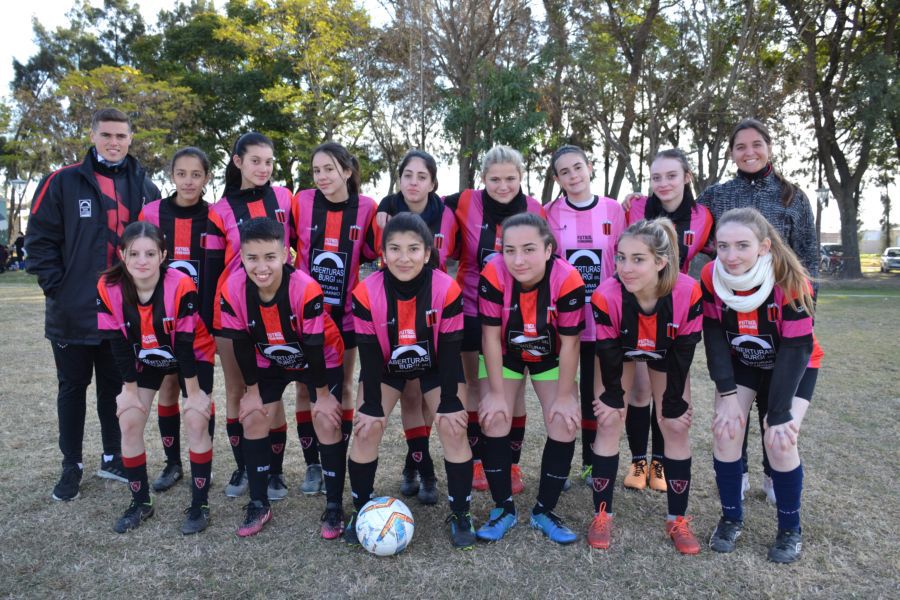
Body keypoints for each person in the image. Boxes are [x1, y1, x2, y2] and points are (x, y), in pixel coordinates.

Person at [25, 108, 160, 501]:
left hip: (123, 313)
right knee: (72, 388)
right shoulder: (62, 181)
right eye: (106, 135)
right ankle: (71, 465)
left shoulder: (145, 188)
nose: (114, 142)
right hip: (74, 311)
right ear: (93, 135)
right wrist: (58, 288)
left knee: (114, 389)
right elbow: (39, 241)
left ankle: (112, 455)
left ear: (131, 138)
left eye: (121, 135)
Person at [346, 213, 475, 549]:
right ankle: (361, 509)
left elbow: (449, 353)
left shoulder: (446, 288)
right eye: (395, 249)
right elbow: (370, 355)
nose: (404, 258)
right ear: (383, 254)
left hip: (435, 366)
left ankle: (461, 512)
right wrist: (371, 406)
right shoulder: (365, 292)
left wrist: (450, 404)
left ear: (428, 253)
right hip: (386, 367)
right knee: (367, 427)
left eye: (413, 249)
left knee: (451, 425)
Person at [703, 207, 822, 563]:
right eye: (723, 246)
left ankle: (790, 530)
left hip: (792, 364)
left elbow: (798, 348)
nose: (731, 255)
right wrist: (726, 395)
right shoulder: (711, 275)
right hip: (744, 361)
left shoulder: (792, 280)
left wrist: (781, 411)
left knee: (780, 439)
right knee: (726, 430)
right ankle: (730, 518)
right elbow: (713, 335)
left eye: (742, 245)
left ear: (764, 246)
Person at [218, 217, 346, 537]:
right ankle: (259, 503)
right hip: (269, 357)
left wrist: (323, 395)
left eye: (270, 257)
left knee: (326, 419)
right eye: (252, 258)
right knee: (254, 416)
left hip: (319, 357)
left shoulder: (305, 288)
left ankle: (333, 507)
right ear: (242, 257)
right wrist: (251, 390)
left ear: (286, 256)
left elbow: (316, 347)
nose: (261, 267)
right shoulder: (232, 288)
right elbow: (242, 344)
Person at [587, 218, 703, 554]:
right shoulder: (606, 296)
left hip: (666, 353)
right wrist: (611, 398)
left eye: (638, 259)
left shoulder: (686, 291)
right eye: (621, 257)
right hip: (621, 351)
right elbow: (608, 351)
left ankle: (677, 518)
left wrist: (674, 404)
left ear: (660, 261)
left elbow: (683, 352)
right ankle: (601, 513)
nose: (625, 267)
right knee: (609, 421)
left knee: (675, 426)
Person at [97, 221, 215, 534]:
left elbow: (187, 346)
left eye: (150, 253)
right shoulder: (108, 287)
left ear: (163, 255)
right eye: (134, 253)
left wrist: (195, 394)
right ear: (122, 255)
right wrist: (129, 391)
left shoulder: (181, 284)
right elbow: (119, 346)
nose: (142, 260)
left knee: (195, 417)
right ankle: (141, 502)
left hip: (191, 353)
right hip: (146, 355)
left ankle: (199, 504)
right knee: (130, 418)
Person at [476, 213, 585, 544]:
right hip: (506, 354)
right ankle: (503, 508)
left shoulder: (568, 279)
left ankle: (544, 511)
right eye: (509, 250)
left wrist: (566, 396)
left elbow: (570, 344)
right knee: (494, 417)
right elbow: (490, 337)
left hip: (550, 357)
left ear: (549, 249)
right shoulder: (493, 272)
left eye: (528, 249)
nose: (518, 260)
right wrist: (495, 392)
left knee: (564, 421)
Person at [444, 145, 545, 495]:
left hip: (518, 311)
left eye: (511, 179)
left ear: (521, 177)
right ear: (483, 178)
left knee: (512, 391)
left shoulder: (534, 208)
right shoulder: (464, 202)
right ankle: (475, 461)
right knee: (474, 386)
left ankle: (512, 464)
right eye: (495, 179)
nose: (503, 186)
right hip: (471, 306)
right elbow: (422, 202)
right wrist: (385, 207)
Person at [204, 132, 295, 501]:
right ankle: (244, 466)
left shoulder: (286, 199)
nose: (263, 168)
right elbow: (211, 271)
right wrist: (212, 324)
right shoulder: (219, 210)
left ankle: (274, 473)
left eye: (269, 162)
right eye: (255, 160)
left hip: (281, 311)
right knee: (238, 390)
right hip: (232, 316)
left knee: (270, 391)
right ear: (238, 161)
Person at [620, 149, 714, 493]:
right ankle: (637, 460)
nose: (664, 183)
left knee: (668, 394)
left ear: (687, 177)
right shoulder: (634, 207)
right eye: (656, 176)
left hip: (675, 316)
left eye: (672, 175)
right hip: (634, 309)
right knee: (640, 390)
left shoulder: (705, 217)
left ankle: (659, 461)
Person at [373, 150, 459, 503]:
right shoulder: (384, 214)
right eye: (407, 175)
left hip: (436, 312)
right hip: (395, 310)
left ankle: (414, 461)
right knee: (410, 394)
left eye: (422, 176)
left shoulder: (448, 213)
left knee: (431, 397)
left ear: (433, 182)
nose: (414, 182)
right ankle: (424, 471)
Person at [291, 142, 377, 496]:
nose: (323, 176)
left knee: (341, 384)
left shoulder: (367, 208)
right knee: (304, 387)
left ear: (346, 171)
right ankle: (313, 463)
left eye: (330, 169)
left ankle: (335, 456)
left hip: (345, 318)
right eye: (317, 170)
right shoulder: (302, 203)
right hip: (304, 315)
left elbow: (374, 254)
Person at [544, 144, 626, 487]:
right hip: (563, 323)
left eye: (577, 167)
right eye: (564, 172)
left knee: (597, 396)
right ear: (557, 179)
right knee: (561, 393)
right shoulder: (549, 212)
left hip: (603, 322)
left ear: (590, 167)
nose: (573, 176)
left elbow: (625, 259)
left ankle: (592, 463)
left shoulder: (614, 209)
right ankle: (559, 464)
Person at [139, 147, 215, 492]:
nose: (188, 181)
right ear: (172, 175)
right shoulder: (151, 212)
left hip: (203, 323)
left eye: (196, 174)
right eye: (181, 173)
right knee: (168, 387)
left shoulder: (215, 216)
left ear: (206, 178)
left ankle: (204, 462)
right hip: (161, 321)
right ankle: (172, 464)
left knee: (199, 396)